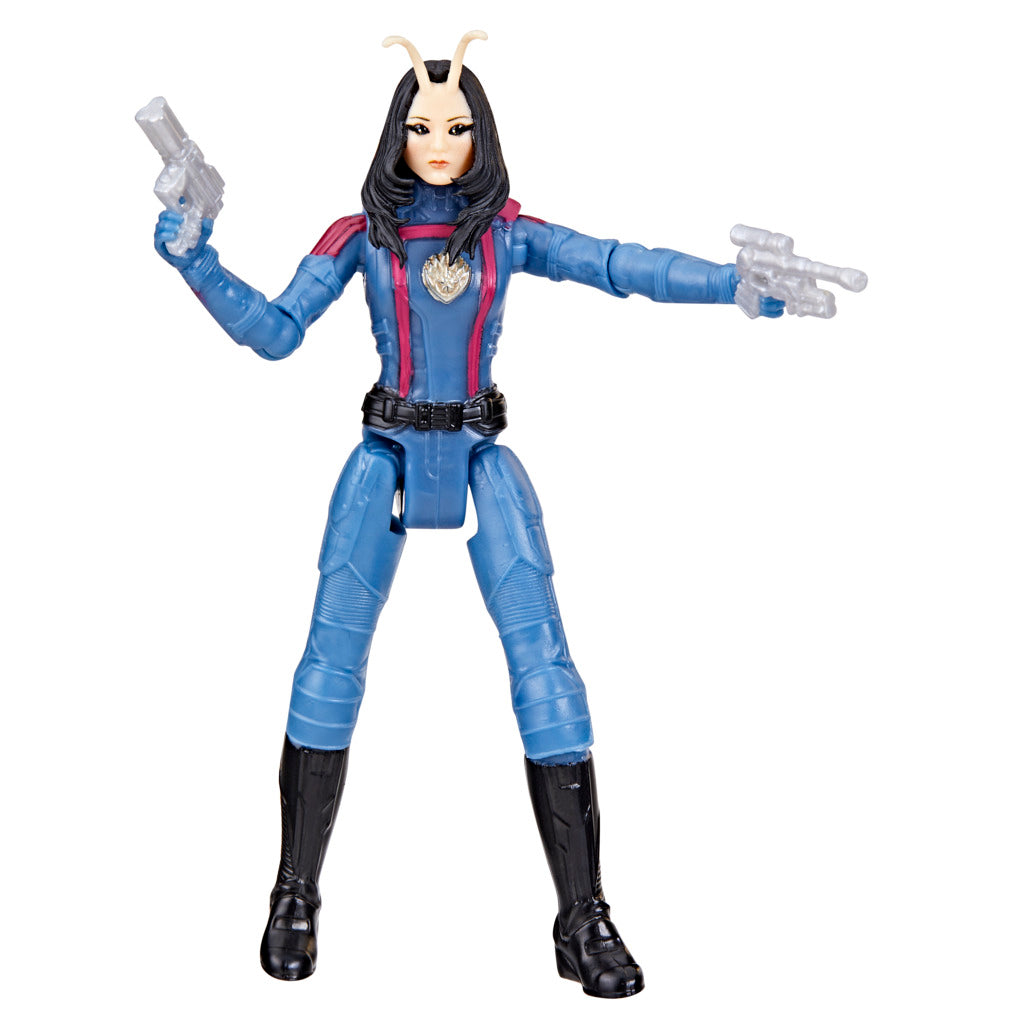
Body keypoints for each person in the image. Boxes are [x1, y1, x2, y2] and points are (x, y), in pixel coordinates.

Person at [152, 30, 782, 998]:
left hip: (482, 454)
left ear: (481, 133)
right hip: (385, 456)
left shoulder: (507, 231)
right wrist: (197, 261)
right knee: (327, 675)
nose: (439, 144)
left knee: (549, 679)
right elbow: (274, 333)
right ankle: (293, 891)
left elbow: (620, 264)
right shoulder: (359, 234)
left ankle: (582, 915)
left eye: (456, 128)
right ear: (394, 135)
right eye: (421, 127)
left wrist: (731, 285)